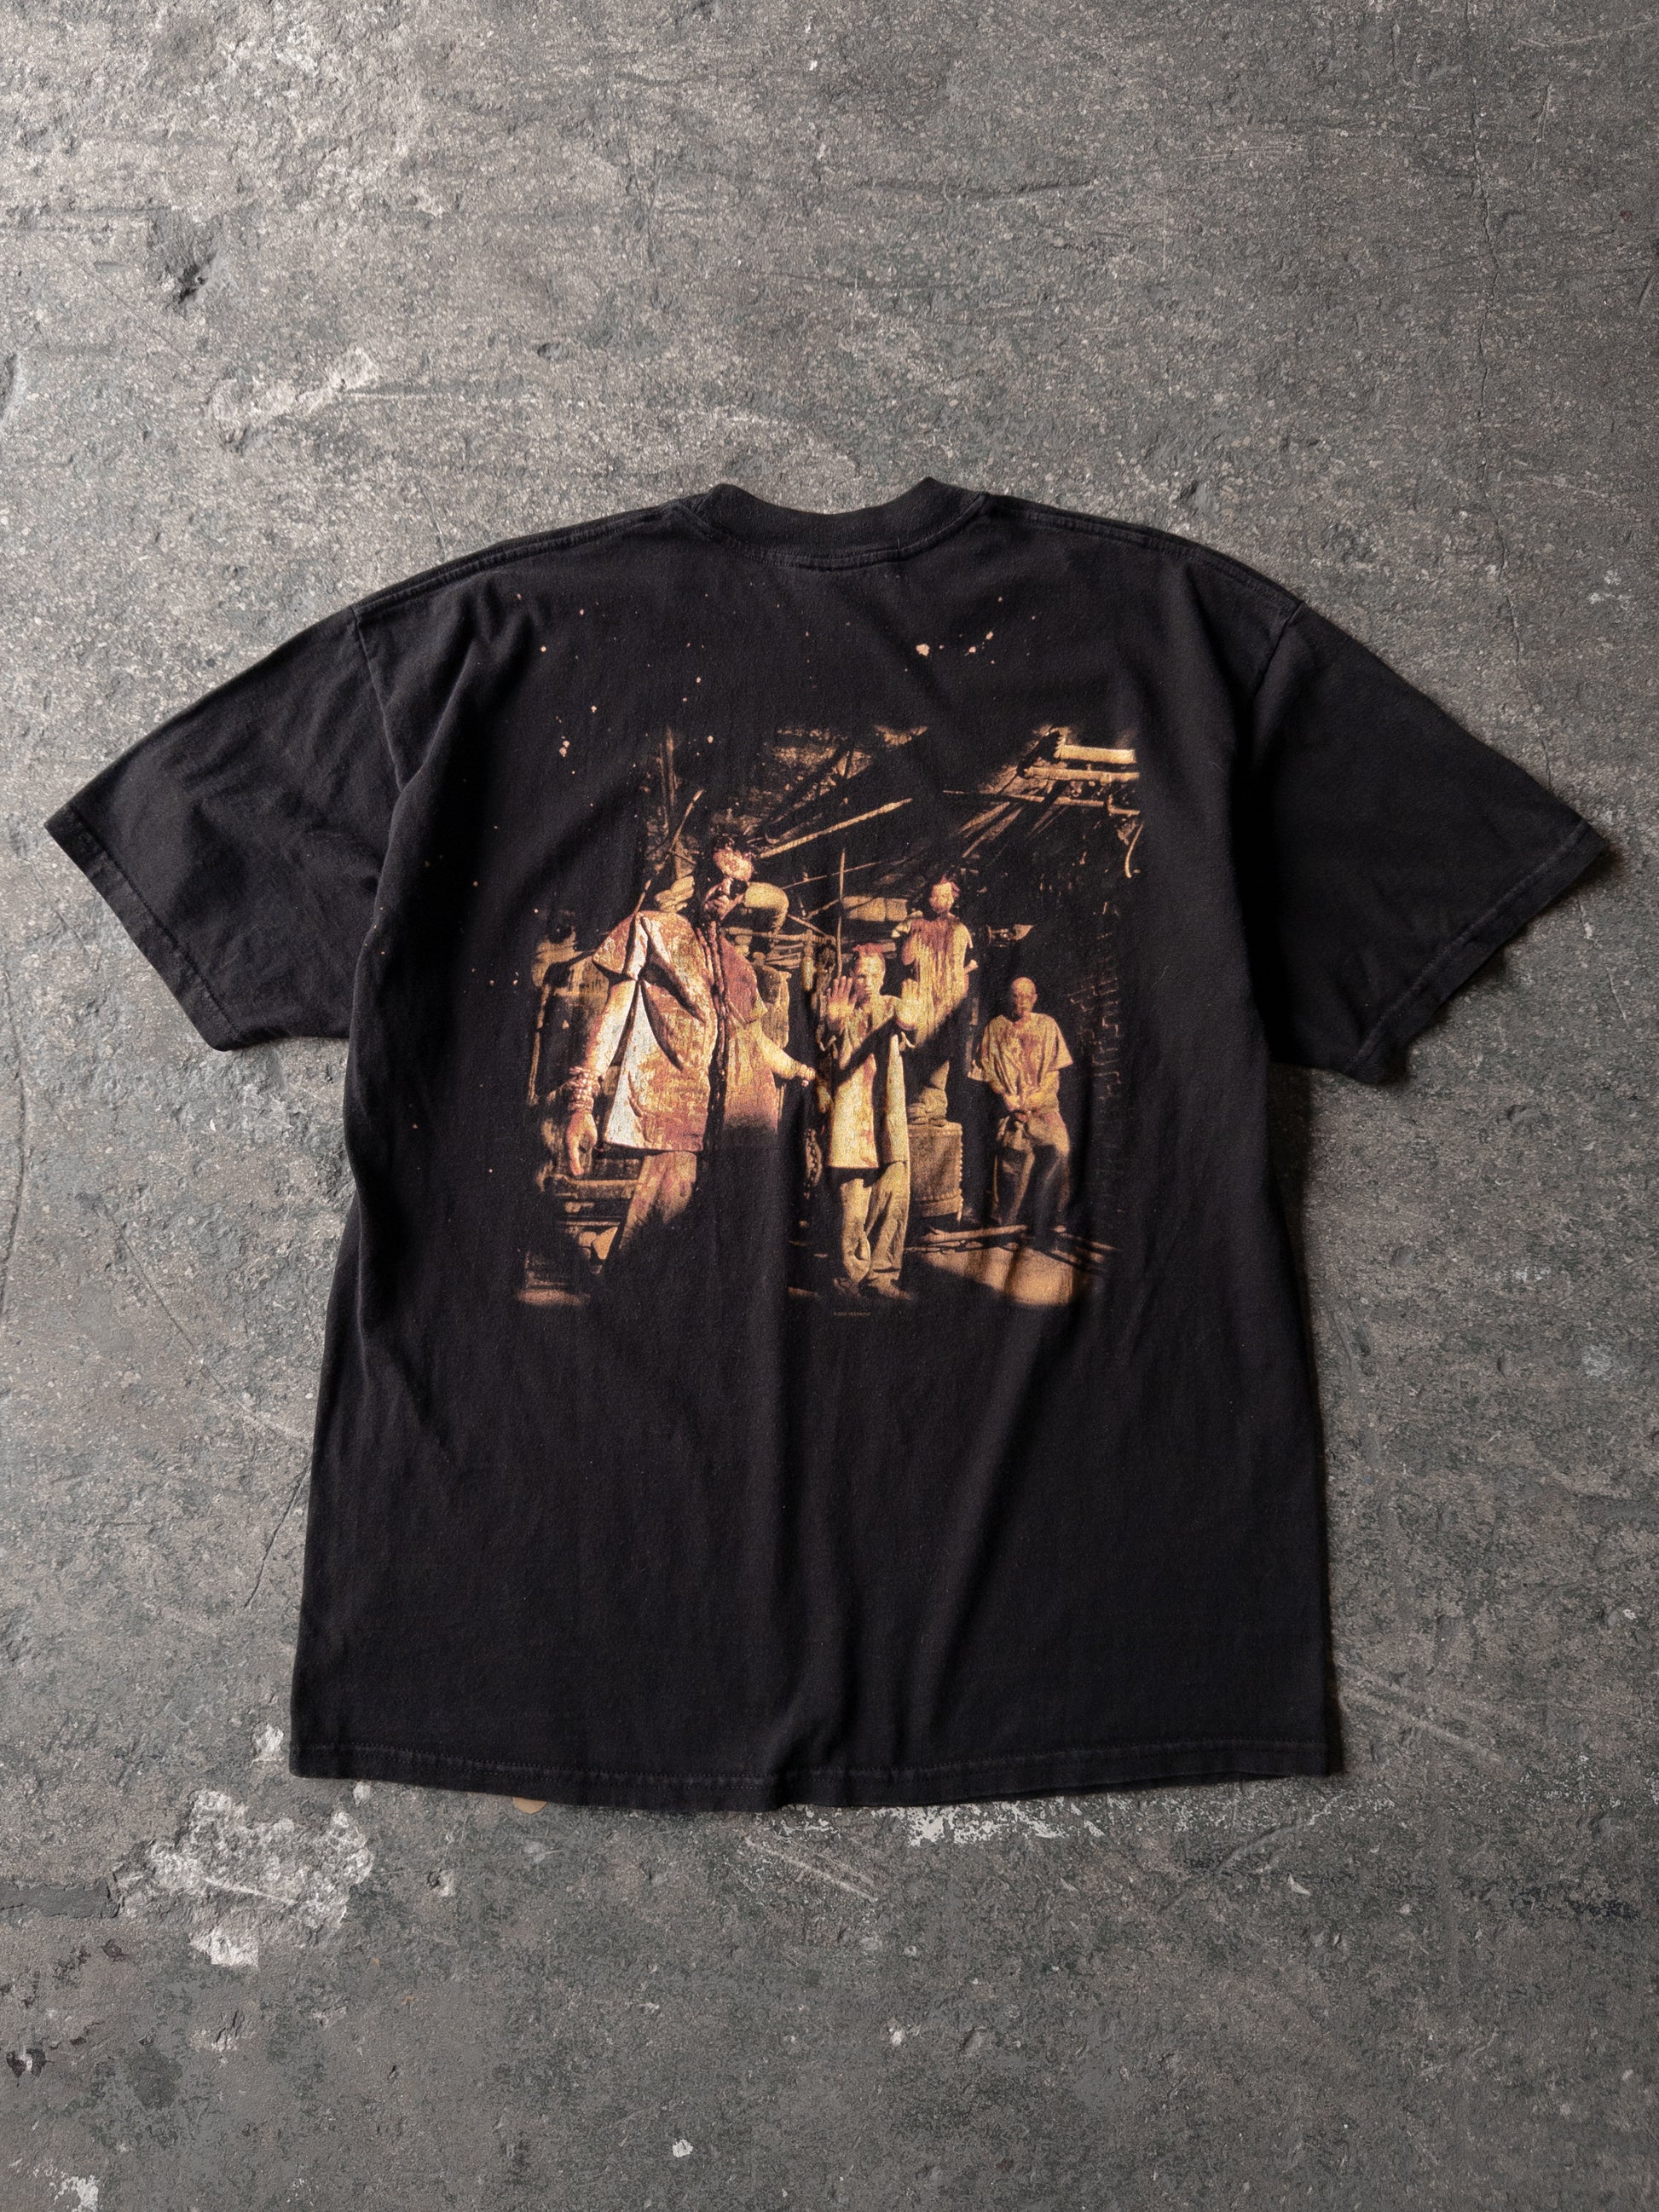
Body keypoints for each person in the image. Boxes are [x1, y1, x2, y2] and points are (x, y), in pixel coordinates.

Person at [559, 824, 812, 1264]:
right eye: (717, 876)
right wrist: (582, 1103)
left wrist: (805, 1071)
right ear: (698, 875)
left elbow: (756, 1045)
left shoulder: (740, 969)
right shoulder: (652, 929)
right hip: (677, 1121)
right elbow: (613, 1014)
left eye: (737, 886)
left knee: (723, 1263)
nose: (724, 890)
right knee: (649, 1256)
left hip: (740, 1132)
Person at [817, 944, 917, 1305]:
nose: (869, 981)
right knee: (853, 1206)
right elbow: (824, 1047)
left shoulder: (892, 1005)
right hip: (851, 1116)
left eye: (875, 974)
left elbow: (909, 1021)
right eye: (862, 974)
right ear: (851, 977)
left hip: (887, 1115)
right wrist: (833, 1024)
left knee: (892, 1198)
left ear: (884, 977)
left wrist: (910, 1013)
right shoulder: (839, 1007)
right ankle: (848, 1278)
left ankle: (882, 1275)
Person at [976, 976, 1073, 1250]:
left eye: (1026, 996)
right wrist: (1004, 1096)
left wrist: (1036, 1098)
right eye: (1016, 996)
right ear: (1009, 997)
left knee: (1060, 1149)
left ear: (1035, 998)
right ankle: (1008, 1229)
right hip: (1012, 1110)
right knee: (1014, 1168)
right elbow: (986, 1068)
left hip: (1043, 1108)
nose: (1021, 1001)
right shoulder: (996, 1027)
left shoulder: (1047, 1025)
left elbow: (1054, 1071)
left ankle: (1050, 1221)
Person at [899, 873, 976, 1122]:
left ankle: (936, 1105)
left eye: (945, 896)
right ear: (928, 897)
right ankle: (915, 1102)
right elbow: (906, 960)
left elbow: (965, 966)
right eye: (935, 895)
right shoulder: (916, 922)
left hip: (946, 1002)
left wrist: (957, 995)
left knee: (942, 1052)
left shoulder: (959, 928)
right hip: (921, 997)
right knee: (917, 1048)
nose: (940, 901)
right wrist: (914, 934)